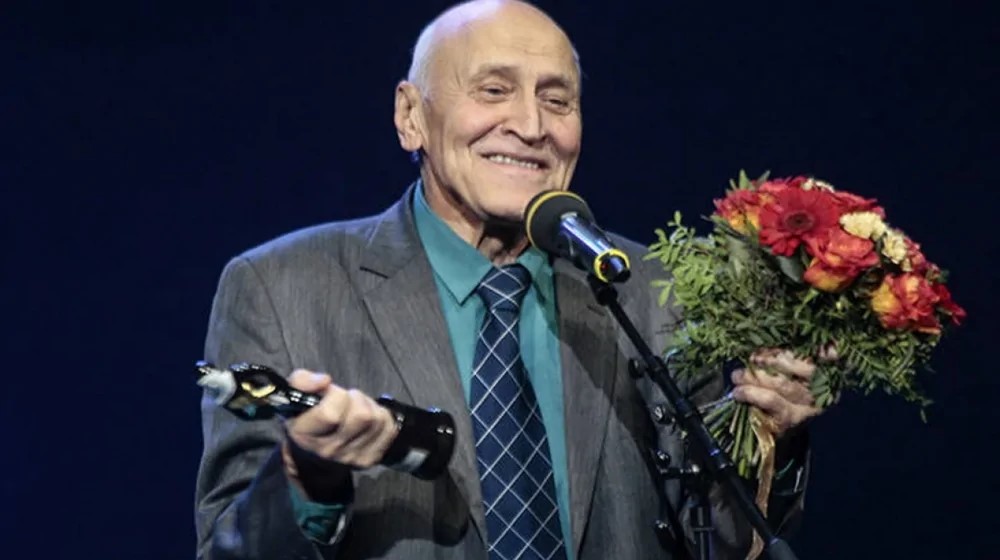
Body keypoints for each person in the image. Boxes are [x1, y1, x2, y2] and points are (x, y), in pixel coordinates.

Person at [193, 1, 820, 558]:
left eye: (557, 100)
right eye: (493, 90)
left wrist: (776, 438)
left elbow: (722, 539)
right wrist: (309, 479)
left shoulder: (651, 292)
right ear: (411, 116)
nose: (531, 124)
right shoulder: (282, 287)